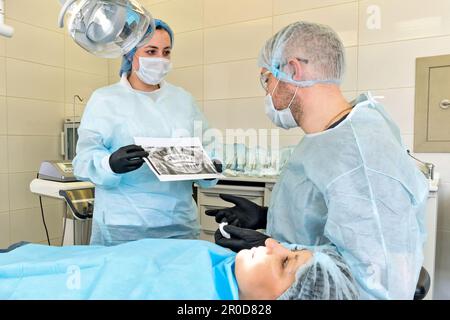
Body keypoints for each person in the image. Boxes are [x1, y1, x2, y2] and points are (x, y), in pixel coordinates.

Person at [206, 21, 429, 300]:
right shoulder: (327, 137)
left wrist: (277, 251)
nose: (267, 91)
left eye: (267, 79)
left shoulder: (359, 156)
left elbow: (377, 282)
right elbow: (331, 217)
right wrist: (264, 217)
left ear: (292, 70)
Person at [73, 19, 217, 246]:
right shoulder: (105, 100)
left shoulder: (182, 100)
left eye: (166, 52)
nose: (160, 59)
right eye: (151, 51)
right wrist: (109, 164)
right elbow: (83, 160)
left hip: (178, 224)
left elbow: (209, 146)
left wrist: (210, 167)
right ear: (131, 54)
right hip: (123, 226)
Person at [0, 239, 358, 300]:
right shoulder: (221, 263)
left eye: (284, 261)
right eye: (289, 248)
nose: (271, 245)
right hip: (39, 261)